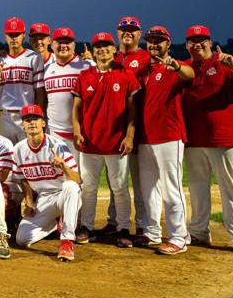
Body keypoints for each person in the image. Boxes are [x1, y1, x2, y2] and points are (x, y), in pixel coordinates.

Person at [182, 25, 233, 257]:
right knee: (197, 189)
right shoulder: (186, 68)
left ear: (209, 41)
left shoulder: (225, 62)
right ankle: (198, 232)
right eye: (192, 40)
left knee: (231, 190)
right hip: (194, 140)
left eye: (201, 39)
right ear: (187, 44)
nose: (197, 44)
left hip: (225, 139)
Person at [72, 32, 140, 247]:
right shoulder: (85, 76)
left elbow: (132, 110)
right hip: (89, 143)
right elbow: (77, 108)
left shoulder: (126, 74)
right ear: (93, 51)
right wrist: (77, 131)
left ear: (114, 50)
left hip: (116, 142)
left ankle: (123, 228)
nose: (102, 50)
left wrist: (129, 136)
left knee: (119, 187)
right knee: (89, 187)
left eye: (106, 46)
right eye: (98, 47)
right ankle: (87, 226)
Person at [135, 26, 193, 254]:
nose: (154, 44)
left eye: (159, 41)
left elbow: (190, 76)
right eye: (150, 41)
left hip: (169, 136)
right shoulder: (143, 71)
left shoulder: (176, 67)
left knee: (171, 187)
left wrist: (177, 67)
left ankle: (179, 236)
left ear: (168, 44)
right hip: (145, 137)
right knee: (148, 188)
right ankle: (152, 232)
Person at [12, 105, 81, 262]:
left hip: (65, 196)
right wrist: (29, 201)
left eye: (35, 119)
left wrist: (63, 166)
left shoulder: (58, 146)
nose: (32, 123)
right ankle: (53, 224)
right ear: (22, 125)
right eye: (27, 120)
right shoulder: (18, 150)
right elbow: (23, 179)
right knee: (22, 239)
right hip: (44, 199)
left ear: (43, 123)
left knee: (70, 186)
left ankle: (67, 241)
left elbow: (76, 180)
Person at [106, 15, 151, 235]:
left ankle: (143, 224)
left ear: (139, 34)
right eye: (124, 28)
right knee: (116, 180)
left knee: (140, 180)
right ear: (117, 32)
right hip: (114, 128)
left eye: (132, 29)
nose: (128, 32)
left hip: (139, 127)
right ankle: (114, 221)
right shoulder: (111, 58)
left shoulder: (145, 57)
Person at [42, 27, 92, 167]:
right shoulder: (47, 69)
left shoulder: (87, 65)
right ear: (52, 45)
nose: (63, 45)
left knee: (86, 180)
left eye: (67, 42)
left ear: (74, 45)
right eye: (59, 42)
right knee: (60, 177)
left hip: (83, 133)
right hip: (56, 133)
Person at [0, 17, 46, 144]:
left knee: (28, 155)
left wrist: (37, 116)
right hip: (5, 115)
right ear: (5, 36)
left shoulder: (33, 57)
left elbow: (40, 91)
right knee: (8, 157)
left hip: (26, 115)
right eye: (10, 35)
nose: (14, 38)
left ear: (23, 36)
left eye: (17, 34)